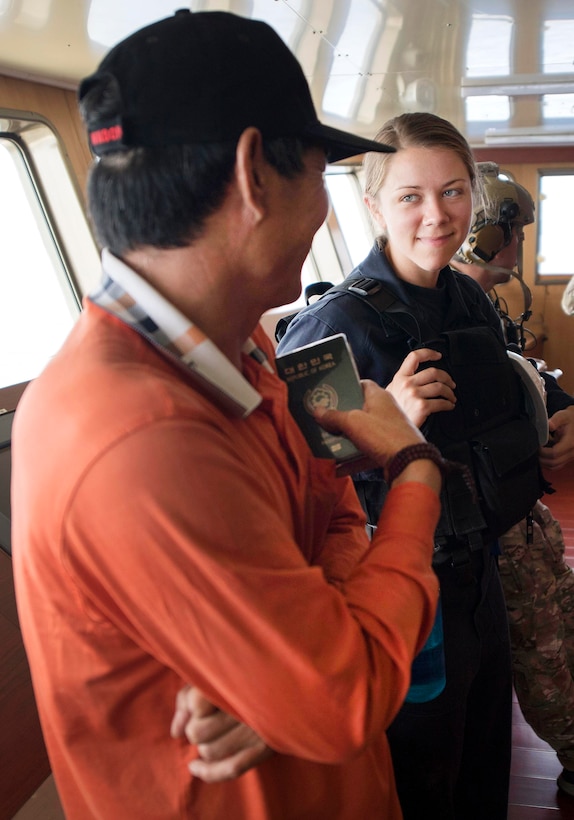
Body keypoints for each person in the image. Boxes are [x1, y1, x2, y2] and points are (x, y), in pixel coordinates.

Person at [10, 11, 446, 820]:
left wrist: (283, 671)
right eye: (321, 174)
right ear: (256, 174)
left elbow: (332, 507)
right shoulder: (135, 436)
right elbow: (343, 699)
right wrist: (415, 467)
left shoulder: (241, 338)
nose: (323, 207)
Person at [276, 112, 556, 820]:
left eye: (454, 192)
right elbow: (297, 490)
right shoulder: (334, 329)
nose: (438, 215)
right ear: (372, 206)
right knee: (427, 768)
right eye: (411, 196)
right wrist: (390, 424)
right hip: (404, 586)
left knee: (486, 749)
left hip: (479, 567)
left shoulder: (465, 295)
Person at [451, 164, 574, 797]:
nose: (520, 244)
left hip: (524, 508)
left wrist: (563, 405)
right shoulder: (421, 316)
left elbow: (522, 375)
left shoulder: (476, 307)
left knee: (565, 621)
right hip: (485, 532)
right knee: (544, 653)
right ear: (488, 234)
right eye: (515, 231)